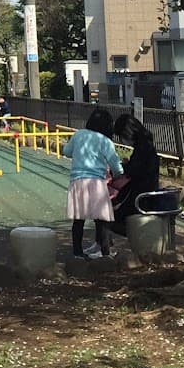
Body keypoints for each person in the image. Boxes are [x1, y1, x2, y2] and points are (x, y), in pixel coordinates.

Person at [65, 107, 123, 258]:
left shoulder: (78, 135)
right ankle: (105, 253)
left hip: (77, 181)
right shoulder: (106, 141)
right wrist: (117, 175)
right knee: (101, 220)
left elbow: (66, 151)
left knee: (78, 220)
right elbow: (116, 166)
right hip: (97, 182)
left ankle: (77, 252)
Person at [109, 113, 162, 235]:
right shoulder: (146, 144)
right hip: (144, 191)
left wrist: (124, 166)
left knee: (112, 217)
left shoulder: (142, 147)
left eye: (122, 136)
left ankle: (106, 246)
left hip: (140, 195)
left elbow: (136, 170)